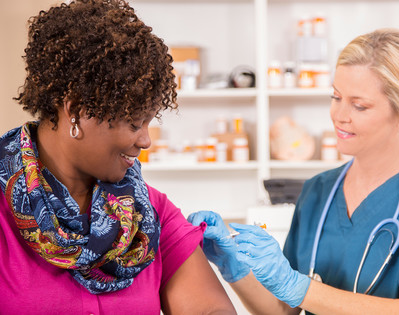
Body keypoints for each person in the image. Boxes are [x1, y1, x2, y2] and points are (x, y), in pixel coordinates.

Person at [189, 28, 399, 314]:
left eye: (359, 106)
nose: (339, 116)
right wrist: (235, 266)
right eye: (336, 96)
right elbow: (282, 310)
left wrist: (299, 287)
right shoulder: (318, 191)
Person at [0, 0, 235, 313]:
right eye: (135, 122)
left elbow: (211, 309)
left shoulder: (147, 212)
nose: (146, 140)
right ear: (78, 111)